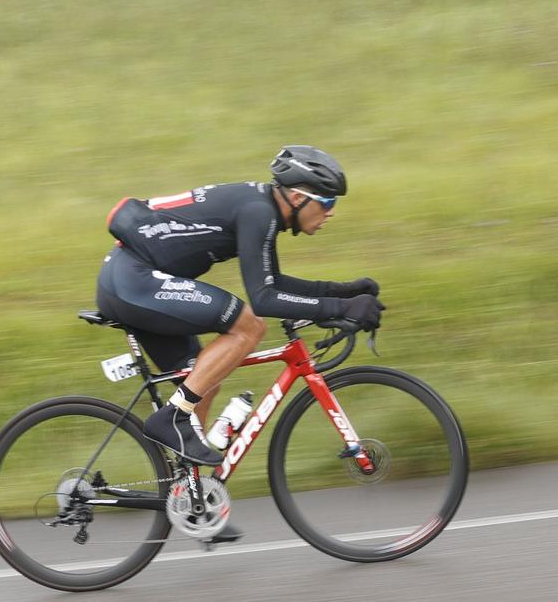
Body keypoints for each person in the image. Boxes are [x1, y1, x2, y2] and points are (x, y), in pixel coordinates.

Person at [97, 146, 384, 486]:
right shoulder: (258, 212)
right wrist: (340, 309)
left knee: (206, 378)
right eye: (327, 203)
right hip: (133, 282)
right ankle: (172, 418)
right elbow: (263, 298)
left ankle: (190, 494)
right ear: (296, 197)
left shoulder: (263, 209)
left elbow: (274, 282)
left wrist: (340, 292)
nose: (330, 213)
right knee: (247, 325)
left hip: (134, 280)